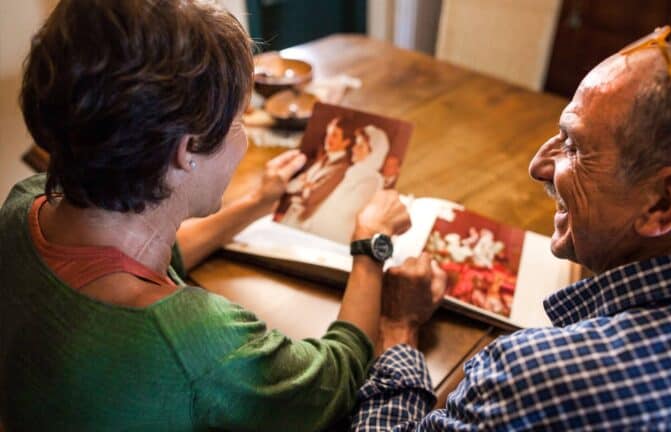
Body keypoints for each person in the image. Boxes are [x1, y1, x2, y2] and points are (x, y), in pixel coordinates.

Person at [0, 1, 425, 430]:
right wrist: (371, 247)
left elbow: (132, 259)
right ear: (187, 151)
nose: (241, 144)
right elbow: (333, 381)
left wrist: (256, 201)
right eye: (239, 121)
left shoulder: (24, 204)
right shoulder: (201, 343)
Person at [350, 28, 671, 430]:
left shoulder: (532, 377)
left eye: (574, 145)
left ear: (663, 202)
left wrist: (400, 330)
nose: (539, 166)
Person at [302, 125, 391, 243]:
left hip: (334, 236)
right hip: (321, 230)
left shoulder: (372, 180)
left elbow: (346, 211)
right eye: (356, 144)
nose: (353, 149)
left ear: (374, 153)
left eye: (360, 147)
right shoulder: (356, 172)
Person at [279, 116, 352, 227]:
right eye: (328, 134)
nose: (328, 139)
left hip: (303, 224)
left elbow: (311, 199)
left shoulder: (341, 169)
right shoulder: (324, 158)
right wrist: (306, 185)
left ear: (346, 142)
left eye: (334, 135)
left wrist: (303, 184)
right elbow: (291, 187)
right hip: (290, 216)